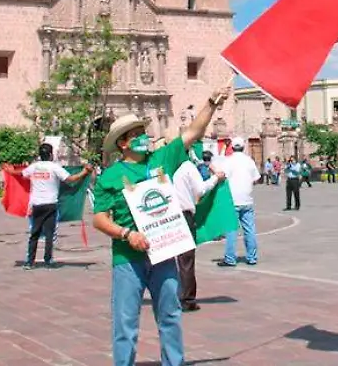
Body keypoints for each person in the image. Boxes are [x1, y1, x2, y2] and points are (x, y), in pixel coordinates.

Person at [90, 88, 227, 366]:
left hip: (163, 253)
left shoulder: (162, 159)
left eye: (143, 131)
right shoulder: (111, 177)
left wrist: (212, 103)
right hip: (128, 258)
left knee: (170, 316)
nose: (144, 137)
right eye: (136, 134)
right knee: (125, 322)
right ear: (123, 143)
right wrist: (126, 234)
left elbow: (193, 133)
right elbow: (99, 218)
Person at [4, 144, 93, 270]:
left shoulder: (34, 167)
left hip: (36, 205)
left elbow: (20, 173)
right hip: (50, 205)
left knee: (34, 234)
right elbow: (71, 179)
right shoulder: (54, 167)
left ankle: (29, 262)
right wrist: (84, 172)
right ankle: (48, 261)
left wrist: (10, 170)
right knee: (49, 234)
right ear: (51, 154)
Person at [173, 148, 224, 312]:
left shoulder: (165, 166)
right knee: (186, 259)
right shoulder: (187, 167)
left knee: (167, 258)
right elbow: (200, 189)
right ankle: (187, 299)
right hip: (184, 215)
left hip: (167, 216)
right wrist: (216, 178)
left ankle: (168, 295)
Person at [214, 138, 263, 266]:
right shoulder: (249, 161)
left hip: (232, 200)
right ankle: (252, 257)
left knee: (231, 230)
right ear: (243, 147)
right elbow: (256, 178)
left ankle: (230, 258)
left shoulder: (228, 161)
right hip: (247, 200)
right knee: (250, 230)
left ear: (232, 148)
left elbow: (221, 176)